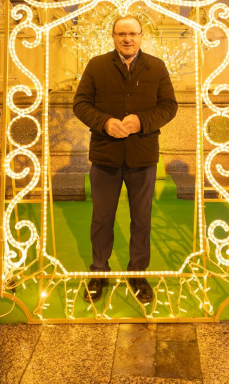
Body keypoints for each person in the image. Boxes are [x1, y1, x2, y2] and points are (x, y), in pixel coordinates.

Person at [73, 15, 177, 304]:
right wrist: (104, 122)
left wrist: (141, 121)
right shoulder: (96, 65)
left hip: (142, 156)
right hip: (105, 154)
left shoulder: (156, 66)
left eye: (132, 33)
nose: (127, 39)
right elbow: (80, 103)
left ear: (142, 36)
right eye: (121, 34)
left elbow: (169, 106)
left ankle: (137, 273)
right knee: (102, 218)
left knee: (141, 219)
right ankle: (99, 272)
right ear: (113, 36)